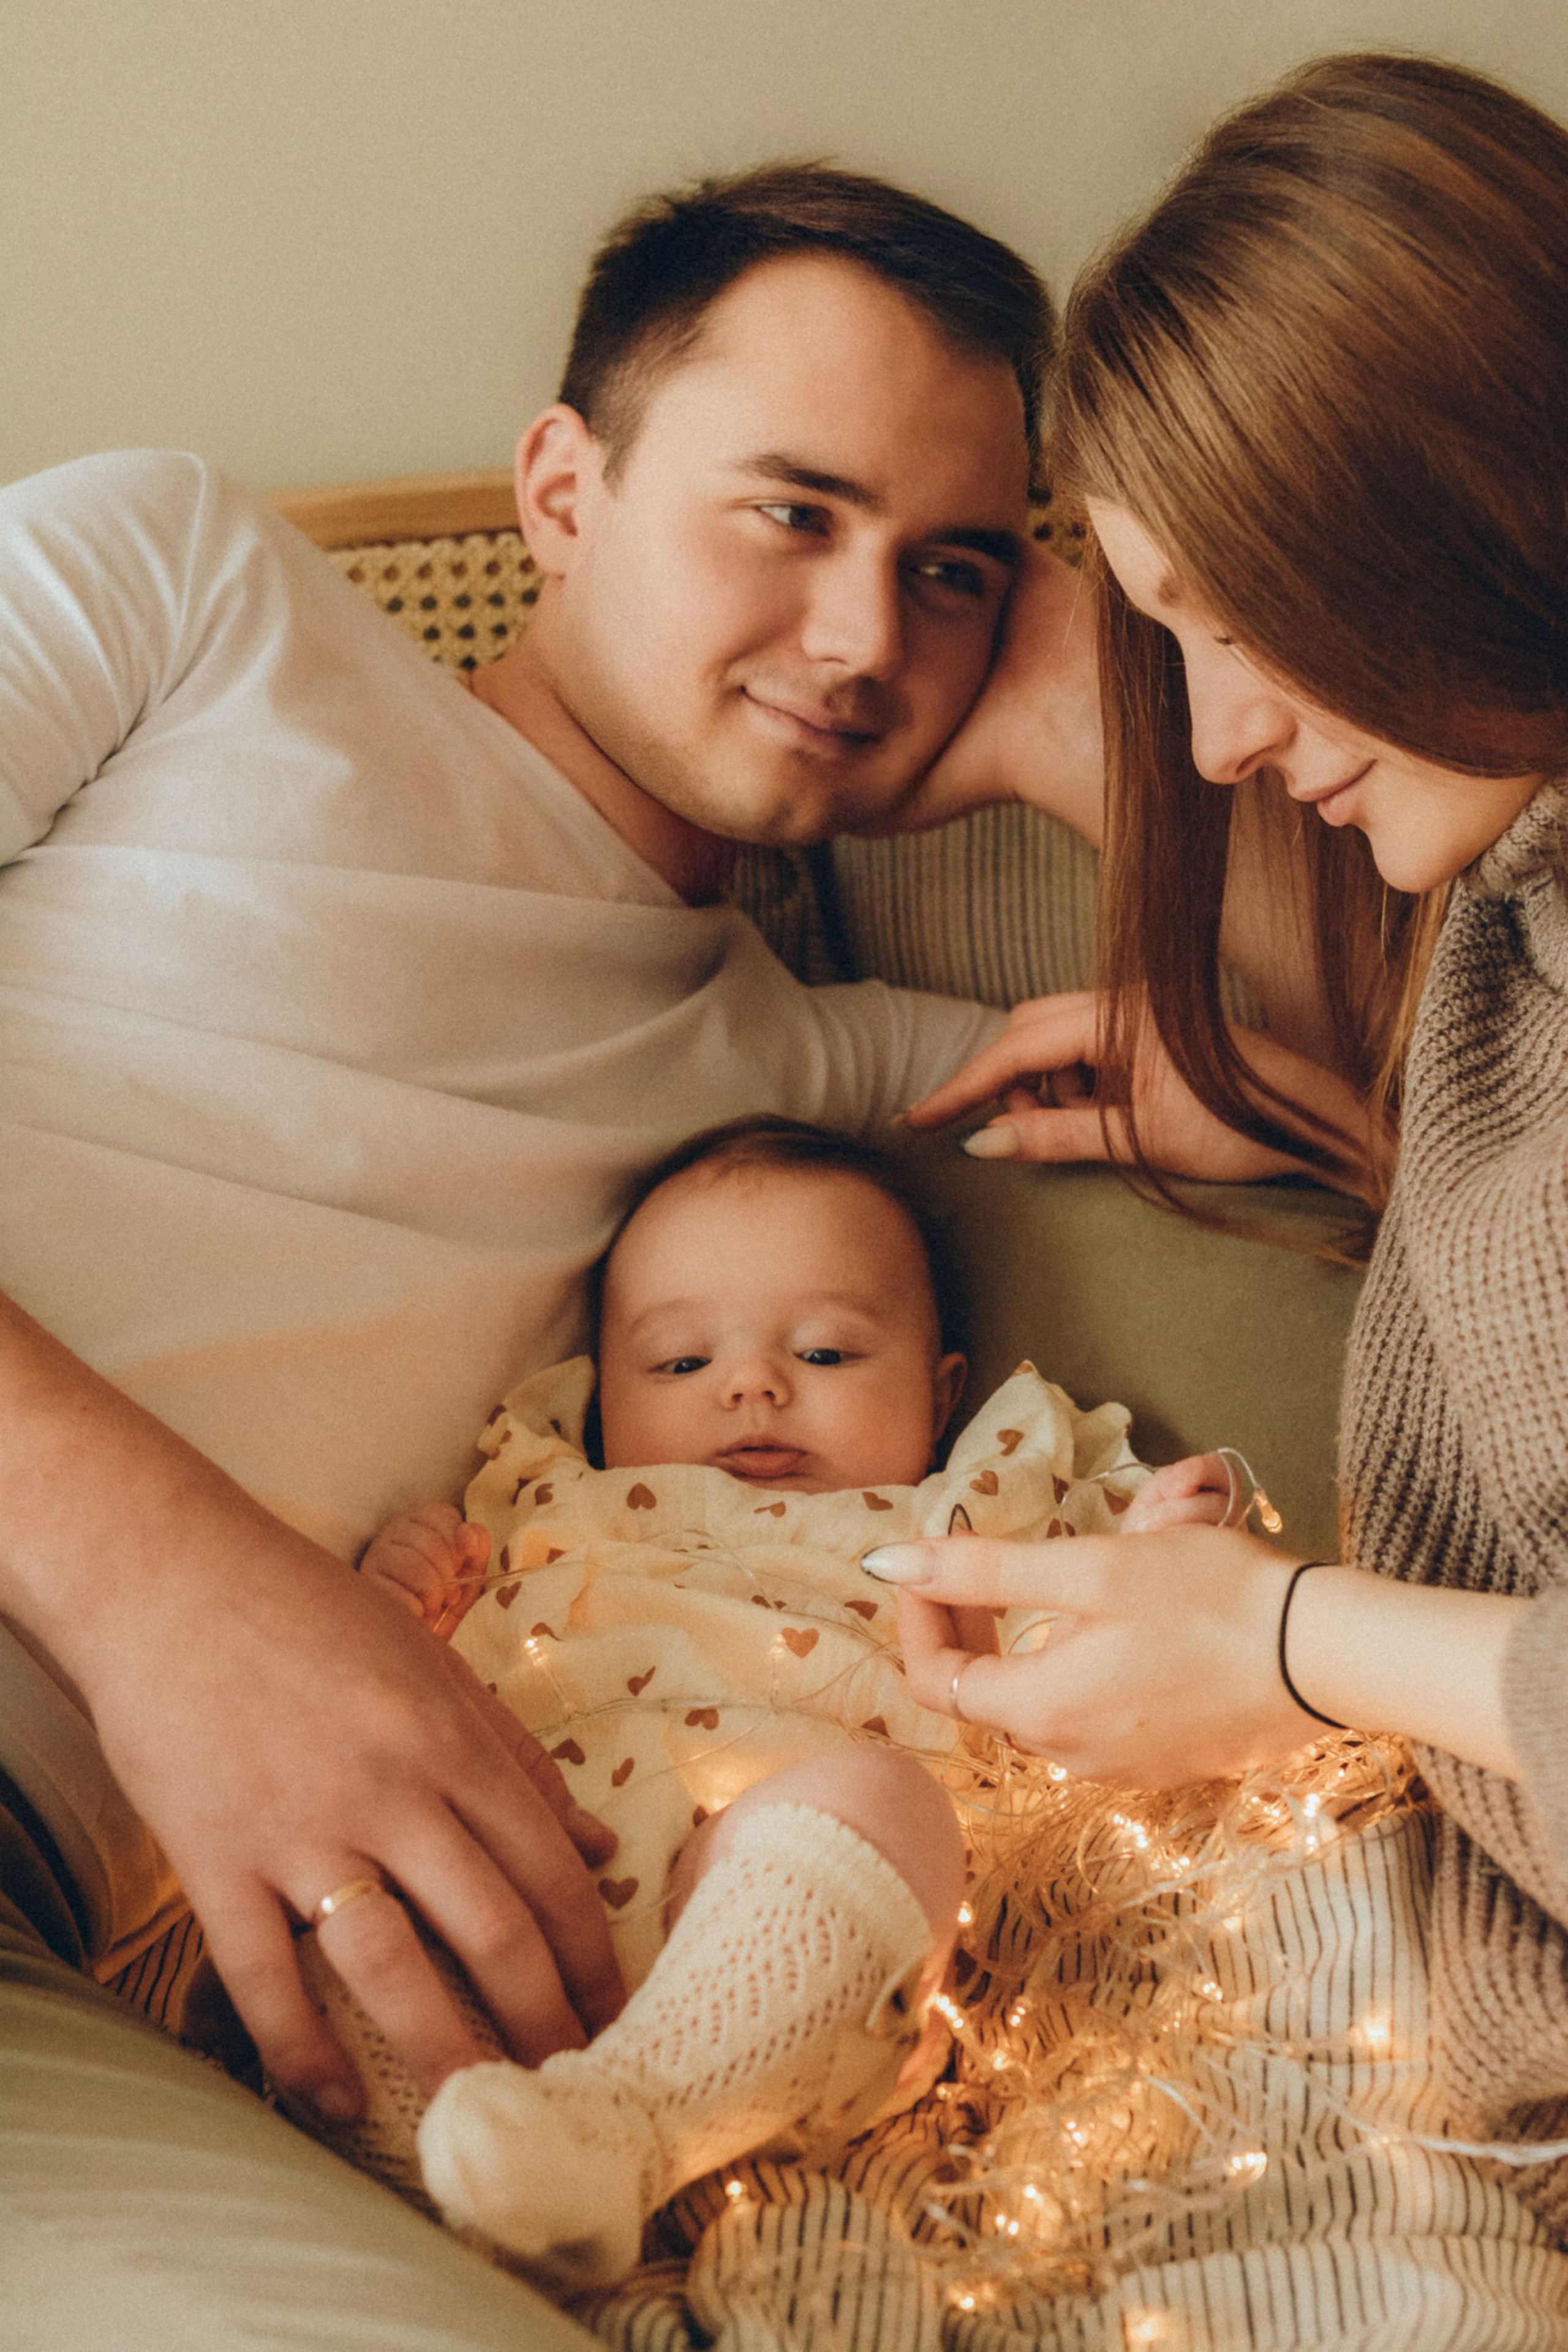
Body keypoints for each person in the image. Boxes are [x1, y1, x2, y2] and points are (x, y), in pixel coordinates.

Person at [0, 162, 1112, 2337]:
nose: (868, 640)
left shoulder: (800, 1064)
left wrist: (1090, 732)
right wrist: (158, 1583)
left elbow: (1373, 1082)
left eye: (952, 570)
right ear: (561, 490)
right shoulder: (186, 582)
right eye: (792, 512)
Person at [859, 52, 1568, 2234]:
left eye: (1244, 627)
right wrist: (1337, 1134)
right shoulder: (1514, 920)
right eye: (1170, 646)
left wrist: (1276, 1647)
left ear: (1454, 519)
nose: (1227, 735)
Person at [309, 1117, 1228, 2283]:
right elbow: (379, 1688)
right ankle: (455, 2164)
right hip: (523, 1876)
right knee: (357, 1892)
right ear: (604, 1399)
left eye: (828, 1354)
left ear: (939, 1392)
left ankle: (626, 2122)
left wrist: (1146, 1565)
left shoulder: (963, 1518)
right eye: (681, 1364)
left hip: (795, 1935)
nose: (751, 1383)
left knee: (887, 1802)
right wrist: (397, 1596)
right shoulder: (536, 1501)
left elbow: (1084, 1667)